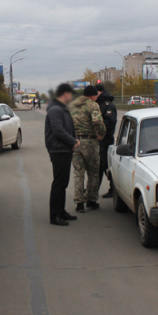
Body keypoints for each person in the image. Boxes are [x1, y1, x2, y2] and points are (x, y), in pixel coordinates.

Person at [44, 83, 80, 226]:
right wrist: (73, 142)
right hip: (58, 150)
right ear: (65, 94)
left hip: (64, 149)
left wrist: (75, 139)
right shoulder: (55, 110)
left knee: (63, 183)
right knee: (59, 183)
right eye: (70, 94)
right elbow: (58, 130)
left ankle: (61, 210)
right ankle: (55, 215)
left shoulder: (62, 109)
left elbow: (69, 127)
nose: (71, 97)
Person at [69, 85, 106, 213]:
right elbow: (97, 120)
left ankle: (79, 203)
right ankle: (91, 200)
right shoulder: (92, 105)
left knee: (78, 173)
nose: (96, 98)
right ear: (92, 95)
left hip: (75, 142)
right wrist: (102, 133)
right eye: (96, 95)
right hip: (90, 142)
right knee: (93, 172)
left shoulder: (73, 105)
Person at [95, 84, 118, 197]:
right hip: (100, 140)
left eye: (96, 92)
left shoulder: (107, 105)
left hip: (105, 140)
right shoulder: (99, 104)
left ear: (101, 92)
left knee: (105, 165)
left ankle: (113, 189)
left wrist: (101, 133)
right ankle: (94, 191)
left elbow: (109, 122)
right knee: (101, 165)